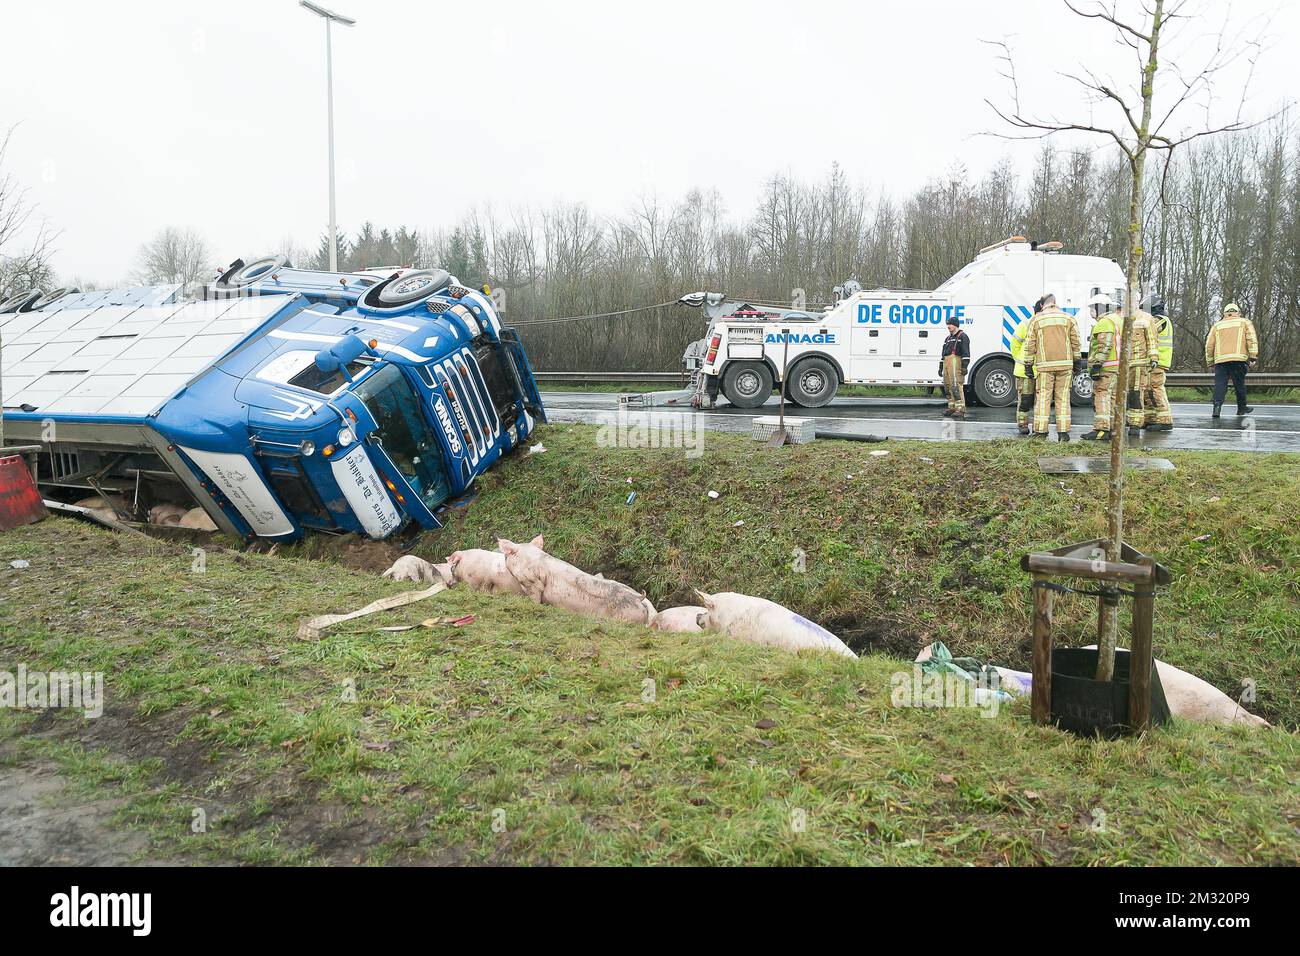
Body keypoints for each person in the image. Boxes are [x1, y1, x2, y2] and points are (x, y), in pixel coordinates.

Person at [1021, 293, 1082, 441]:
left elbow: (1030, 344)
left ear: (1042, 305)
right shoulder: (1068, 318)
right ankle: (1063, 433)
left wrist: (1028, 364)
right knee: (1063, 398)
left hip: (1044, 366)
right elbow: (1076, 342)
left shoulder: (1036, 319)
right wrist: (1077, 361)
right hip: (1065, 365)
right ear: (1055, 302)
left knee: (1043, 397)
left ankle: (1041, 432)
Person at [1205, 302, 1259, 418]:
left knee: (1220, 384)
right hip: (1238, 359)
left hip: (1221, 361)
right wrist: (1253, 356)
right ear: (1237, 313)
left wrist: (1210, 362)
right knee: (1239, 384)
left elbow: (1209, 345)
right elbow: (1252, 339)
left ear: (1225, 314)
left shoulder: (1217, 326)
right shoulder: (1245, 322)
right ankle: (1241, 408)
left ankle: (1216, 408)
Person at [1081, 293, 1117, 441]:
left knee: (1101, 395)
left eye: (1092, 308)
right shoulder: (1116, 321)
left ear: (1099, 308)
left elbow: (1104, 345)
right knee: (1112, 397)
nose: (1090, 312)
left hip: (1106, 367)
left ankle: (1102, 429)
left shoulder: (1104, 323)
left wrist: (1097, 365)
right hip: (1116, 366)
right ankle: (1111, 427)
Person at [1010, 297, 1045, 435]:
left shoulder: (1044, 324)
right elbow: (1015, 344)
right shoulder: (1026, 324)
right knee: (1025, 400)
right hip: (1025, 371)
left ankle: (1038, 427)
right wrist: (1021, 359)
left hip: (1041, 370)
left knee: (1040, 401)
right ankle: (1023, 425)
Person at [1124, 303, 1160, 436]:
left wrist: (1154, 357)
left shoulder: (1146, 318)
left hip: (1138, 363)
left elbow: (1152, 340)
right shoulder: (1119, 317)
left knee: (1135, 393)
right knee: (1124, 395)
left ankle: (1135, 424)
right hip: (1122, 364)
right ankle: (1126, 421)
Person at [1142, 294, 1174, 431]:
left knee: (1155, 390)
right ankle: (1151, 419)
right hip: (1152, 362)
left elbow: (1147, 330)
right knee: (1148, 391)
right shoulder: (1159, 318)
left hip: (1158, 361)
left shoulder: (1161, 320)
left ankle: (1165, 420)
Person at [940, 315, 971, 418]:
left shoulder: (963, 336)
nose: (948, 326)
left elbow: (966, 353)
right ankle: (952, 407)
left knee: (956, 385)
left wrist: (964, 366)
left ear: (956, 325)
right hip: (947, 363)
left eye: (950, 324)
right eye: (947, 324)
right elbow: (943, 354)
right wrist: (940, 367)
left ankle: (960, 409)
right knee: (948, 386)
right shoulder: (948, 338)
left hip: (956, 363)